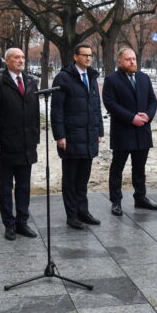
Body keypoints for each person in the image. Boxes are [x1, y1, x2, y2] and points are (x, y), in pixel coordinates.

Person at [0, 48, 40, 241]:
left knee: (24, 186)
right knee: (6, 187)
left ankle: (22, 222)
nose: (20, 60)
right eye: (16, 58)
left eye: (23, 57)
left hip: (27, 145)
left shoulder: (31, 82)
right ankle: (9, 224)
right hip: (7, 144)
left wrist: (35, 139)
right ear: (7, 61)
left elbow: (34, 114)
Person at [51, 44, 104, 229]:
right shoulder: (63, 78)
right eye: (84, 55)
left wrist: (99, 131)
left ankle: (83, 211)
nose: (88, 59)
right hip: (71, 136)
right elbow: (57, 110)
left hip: (89, 136)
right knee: (70, 180)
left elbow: (96, 107)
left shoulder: (92, 77)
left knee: (83, 179)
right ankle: (72, 216)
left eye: (91, 55)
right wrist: (60, 135)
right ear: (75, 57)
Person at [103, 48, 157, 216]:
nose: (132, 62)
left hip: (142, 130)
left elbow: (153, 100)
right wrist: (131, 118)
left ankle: (140, 198)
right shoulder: (111, 80)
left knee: (139, 168)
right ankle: (116, 201)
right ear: (119, 62)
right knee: (117, 168)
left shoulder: (144, 78)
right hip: (123, 131)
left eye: (134, 59)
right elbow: (110, 104)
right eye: (128, 59)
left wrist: (148, 115)